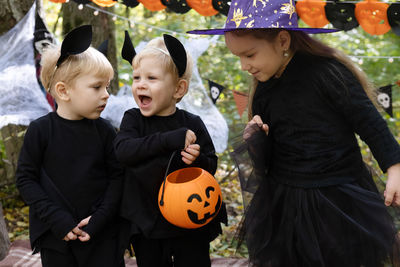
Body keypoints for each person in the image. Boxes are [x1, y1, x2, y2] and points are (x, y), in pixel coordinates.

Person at [189, 0, 400, 266]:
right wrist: (257, 139)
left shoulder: (328, 74)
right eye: (238, 57)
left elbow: (370, 123)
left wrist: (394, 166)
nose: (244, 66)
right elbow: (269, 159)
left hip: (338, 199)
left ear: (283, 40)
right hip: (286, 201)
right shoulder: (265, 89)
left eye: (250, 55)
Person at [114, 32, 227, 267]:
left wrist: (197, 161)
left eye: (151, 78)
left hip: (189, 218)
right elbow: (124, 151)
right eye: (136, 78)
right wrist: (169, 140)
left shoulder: (192, 122)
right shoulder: (133, 119)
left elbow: (211, 163)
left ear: (178, 89)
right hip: (147, 220)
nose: (141, 84)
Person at [15, 25, 124, 267]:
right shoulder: (41, 131)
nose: (106, 94)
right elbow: (26, 179)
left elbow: (118, 177)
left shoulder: (105, 131)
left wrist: (100, 218)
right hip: (56, 235)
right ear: (64, 91)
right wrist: (56, 219)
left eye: (107, 86)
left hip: (101, 234)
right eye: (97, 87)